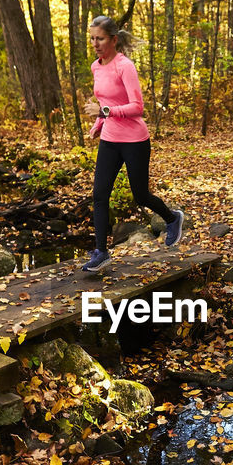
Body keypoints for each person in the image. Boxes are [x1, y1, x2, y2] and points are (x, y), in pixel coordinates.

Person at [81, 15, 183, 272]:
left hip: (134, 140)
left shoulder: (124, 66)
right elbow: (106, 101)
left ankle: (172, 218)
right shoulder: (96, 67)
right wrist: (98, 125)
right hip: (109, 139)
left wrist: (104, 112)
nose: (95, 43)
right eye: (92, 38)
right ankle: (101, 252)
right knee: (99, 195)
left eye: (100, 38)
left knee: (140, 195)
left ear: (113, 40)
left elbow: (137, 107)